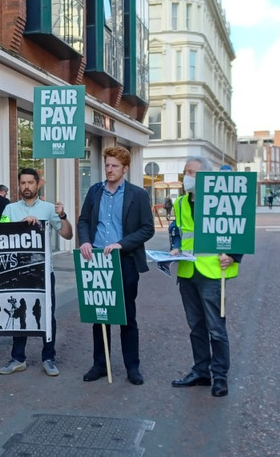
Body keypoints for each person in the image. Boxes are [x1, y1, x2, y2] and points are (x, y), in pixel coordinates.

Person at [78, 146, 155, 385]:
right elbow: (84, 221)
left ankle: (133, 367)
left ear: (125, 169)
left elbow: (147, 228)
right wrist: (86, 241)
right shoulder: (94, 192)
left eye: (114, 166)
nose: (109, 170)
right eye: (107, 165)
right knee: (99, 315)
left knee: (126, 316)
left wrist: (123, 244)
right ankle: (100, 365)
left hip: (125, 261)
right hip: (97, 261)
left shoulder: (138, 195)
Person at [169, 156, 242, 397]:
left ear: (207, 178)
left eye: (192, 173)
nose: (187, 177)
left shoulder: (221, 200)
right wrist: (176, 246)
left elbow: (238, 228)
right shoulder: (179, 202)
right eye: (186, 172)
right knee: (195, 327)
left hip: (212, 272)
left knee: (216, 328)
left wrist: (233, 255)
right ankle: (201, 371)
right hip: (187, 271)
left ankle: (219, 376)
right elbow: (179, 231)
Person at [0, 168, 73, 376]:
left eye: (30, 182)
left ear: (38, 184)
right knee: (18, 312)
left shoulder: (50, 209)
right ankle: (18, 358)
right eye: (23, 183)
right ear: (19, 185)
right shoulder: (9, 209)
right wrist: (19, 228)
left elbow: (67, 235)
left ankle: (49, 357)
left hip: (43, 272)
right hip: (18, 271)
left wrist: (63, 216)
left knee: (47, 315)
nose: (26, 187)